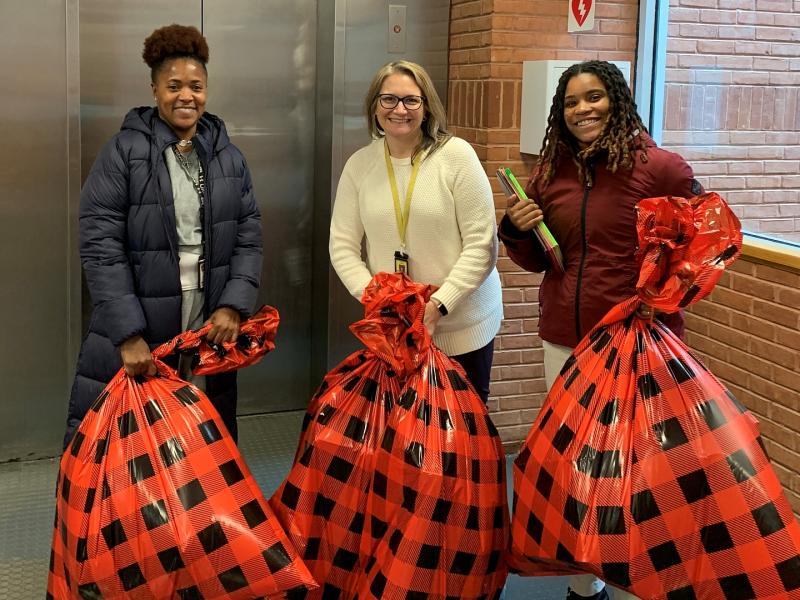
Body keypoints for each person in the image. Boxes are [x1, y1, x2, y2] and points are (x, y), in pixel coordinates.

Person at [499, 60, 700, 600]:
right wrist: (515, 231)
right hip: (564, 338)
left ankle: (640, 581)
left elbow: (700, 249)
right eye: (570, 102)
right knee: (579, 463)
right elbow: (542, 261)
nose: (582, 110)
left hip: (638, 347)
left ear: (617, 98)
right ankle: (586, 585)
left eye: (593, 97)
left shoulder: (661, 168)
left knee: (638, 468)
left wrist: (660, 303)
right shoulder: (550, 172)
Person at [65, 24, 263, 445]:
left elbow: (249, 233)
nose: (186, 96)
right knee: (139, 438)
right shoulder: (123, 152)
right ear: (154, 89)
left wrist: (233, 305)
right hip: (144, 315)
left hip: (210, 319)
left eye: (196, 85)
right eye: (173, 86)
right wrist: (128, 333)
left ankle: (200, 511)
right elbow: (101, 245)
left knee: (204, 429)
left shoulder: (228, 156)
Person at [329, 60, 503, 402]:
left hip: (462, 330)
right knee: (403, 437)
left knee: (460, 439)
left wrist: (438, 306)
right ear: (374, 105)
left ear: (427, 107)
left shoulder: (456, 156)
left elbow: (482, 245)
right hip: (396, 331)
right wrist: (379, 302)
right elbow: (343, 246)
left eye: (411, 100)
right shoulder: (360, 165)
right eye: (389, 99)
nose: (400, 110)